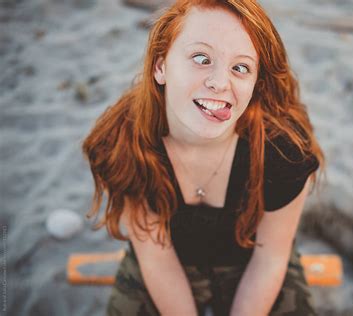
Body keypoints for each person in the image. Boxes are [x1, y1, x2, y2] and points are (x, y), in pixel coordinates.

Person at [82, 0, 326, 315]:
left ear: (255, 83)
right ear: (161, 67)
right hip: (169, 259)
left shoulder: (284, 151)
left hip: (252, 260)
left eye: (240, 67)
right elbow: (157, 260)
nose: (220, 83)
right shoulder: (124, 142)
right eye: (201, 58)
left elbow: (270, 259)